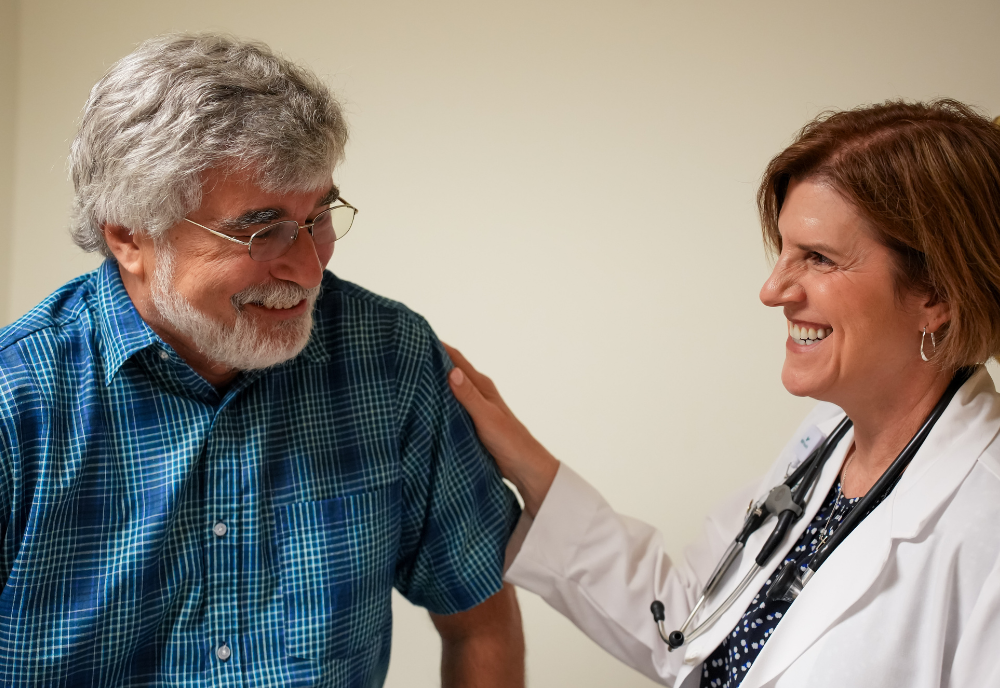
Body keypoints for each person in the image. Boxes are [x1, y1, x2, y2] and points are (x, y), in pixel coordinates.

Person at [0, 34, 524, 687]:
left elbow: (478, 618)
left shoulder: (388, 358)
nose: (308, 268)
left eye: (319, 215)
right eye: (260, 227)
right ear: (130, 233)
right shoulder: (13, 402)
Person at [446, 99, 1000, 687]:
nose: (772, 289)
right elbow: (691, 621)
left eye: (818, 258)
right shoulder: (824, 447)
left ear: (936, 295)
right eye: (782, 250)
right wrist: (527, 464)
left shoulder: (983, 522)